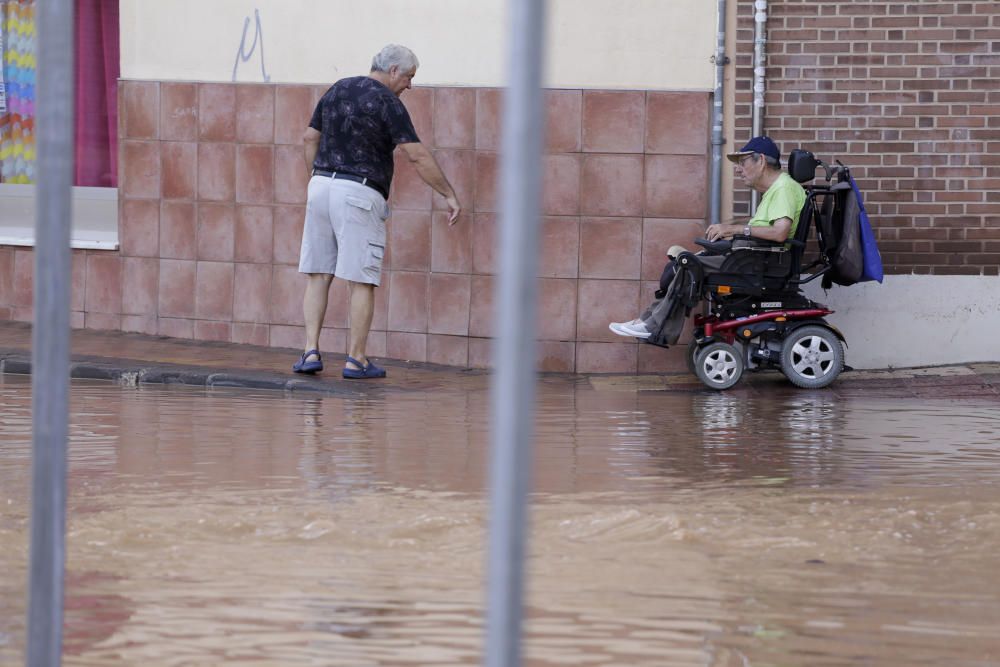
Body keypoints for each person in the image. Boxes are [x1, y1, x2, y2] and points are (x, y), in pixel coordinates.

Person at [293, 44, 461, 378]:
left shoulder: (338, 88)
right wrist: (448, 194)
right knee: (361, 280)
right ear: (394, 70)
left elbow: (309, 137)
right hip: (359, 191)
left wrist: (317, 176)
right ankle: (357, 359)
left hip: (320, 186)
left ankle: (310, 351)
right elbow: (417, 155)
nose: (410, 86)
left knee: (318, 274)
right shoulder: (387, 102)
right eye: (410, 77)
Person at [609, 136, 806, 341]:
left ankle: (655, 326)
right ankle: (648, 321)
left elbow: (779, 232)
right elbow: (766, 225)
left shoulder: (783, 189)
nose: (738, 169)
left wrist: (734, 229)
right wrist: (730, 228)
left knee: (689, 265)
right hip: (753, 259)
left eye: (742, 162)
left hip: (759, 263)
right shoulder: (778, 189)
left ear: (762, 161)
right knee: (684, 262)